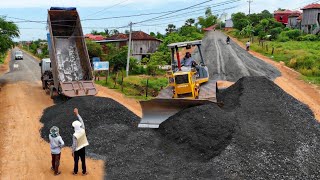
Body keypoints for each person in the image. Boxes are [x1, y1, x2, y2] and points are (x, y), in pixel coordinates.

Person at [71, 108, 89, 176]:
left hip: (76, 150)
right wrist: (77, 114)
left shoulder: (74, 135)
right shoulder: (83, 129)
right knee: (83, 160)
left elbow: (74, 144)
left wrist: (72, 151)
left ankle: (75, 172)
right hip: (83, 148)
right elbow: (82, 121)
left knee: (76, 161)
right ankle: (84, 172)